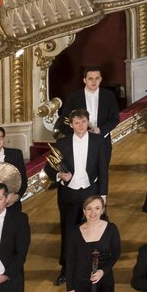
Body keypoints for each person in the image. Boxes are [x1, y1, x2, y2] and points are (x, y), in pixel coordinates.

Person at [50, 108, 111, 279]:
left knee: (95, 230)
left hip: (91, 193)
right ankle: (66, 270)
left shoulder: (98, 141)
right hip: (68, 194)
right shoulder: (62, 143)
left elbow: (103, 170)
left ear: (87, 122)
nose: (81, 125)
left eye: (84, 122)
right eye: (77, 122)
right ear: (71, 124)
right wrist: (59, 175)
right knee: (68, 232)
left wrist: (103, 196)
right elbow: (49, 167)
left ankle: (96, 266)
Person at [63, 193, 121, 292]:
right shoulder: (74, 232)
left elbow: (116, 254)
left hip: (104, 280)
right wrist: (70, 287)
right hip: (81, 281)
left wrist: (103, 271)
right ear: (84, 211)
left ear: (102, 210)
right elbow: (70, 261)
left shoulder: (111, 229)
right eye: (89, 208)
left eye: (97, 208)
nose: (93, 213)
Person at [65, 65, 123, 136]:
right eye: (90, 78)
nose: (94, 81)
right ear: (84, 80)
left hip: (103, 138)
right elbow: (65, 120)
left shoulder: (109, 96)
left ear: (101, 79)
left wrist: (100, 129)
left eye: (97, 78)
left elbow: (115, 118)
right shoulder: (73, 98)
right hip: (81, 139)